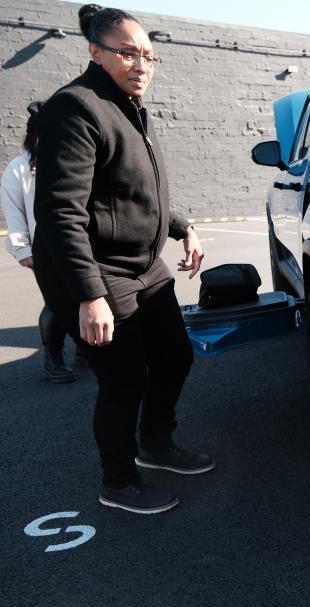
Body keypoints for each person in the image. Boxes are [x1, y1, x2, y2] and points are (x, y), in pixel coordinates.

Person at [32, 4, 214, 514]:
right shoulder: (77, 107)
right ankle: (117, 481)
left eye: (150, 56)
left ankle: (156, 444)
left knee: (176, 356)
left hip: (141, 266)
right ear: (96, 51)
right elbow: (59, 212)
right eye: (129, 53)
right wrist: (89, 295)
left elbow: (136, 190)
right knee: (123, 379)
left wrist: (183, 227)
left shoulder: (130, 106)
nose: (142, 65)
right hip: (97, 269)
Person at [1, 102, 80, 383]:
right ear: (33, 136)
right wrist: (22, 249)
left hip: (81, 246)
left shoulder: (70, 161)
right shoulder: (19, 168)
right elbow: (14, 210)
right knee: (57, 302)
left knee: (84, 296)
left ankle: (84, 348)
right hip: (44, 250)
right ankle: (53, 357)